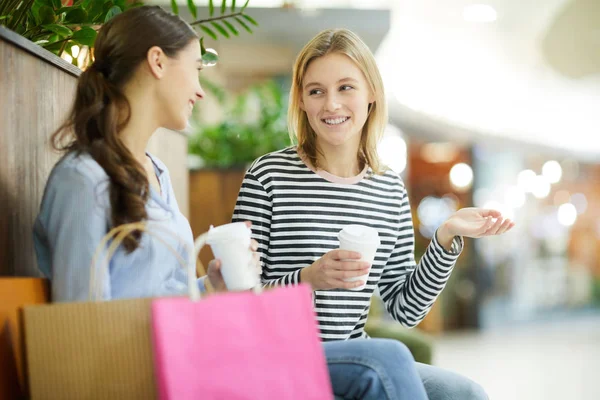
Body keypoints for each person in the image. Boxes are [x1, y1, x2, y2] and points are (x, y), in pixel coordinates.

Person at [33, 6, 428, 400]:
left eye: (346, 88)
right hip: (155, 361)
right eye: (195, 68)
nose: (201, 90)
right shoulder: (83, 180)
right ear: (157, 62)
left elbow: (171, 290)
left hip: (184, 346)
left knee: (457, 389)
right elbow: (80, 323)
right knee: (387, 360)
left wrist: (212, 286)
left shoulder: (155, 173)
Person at [232, 28, 516, 400]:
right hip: (280, 353)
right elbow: (235, 297)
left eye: (346, 87)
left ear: (371, 95)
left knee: (465, 393)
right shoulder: (267, 176)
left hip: (356, 356)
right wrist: (308, 278)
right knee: (387, 359)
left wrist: (445, 239)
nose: (331, 104)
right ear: (301, 101)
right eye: (316, 91)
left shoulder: (388, 189)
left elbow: (404, 309)